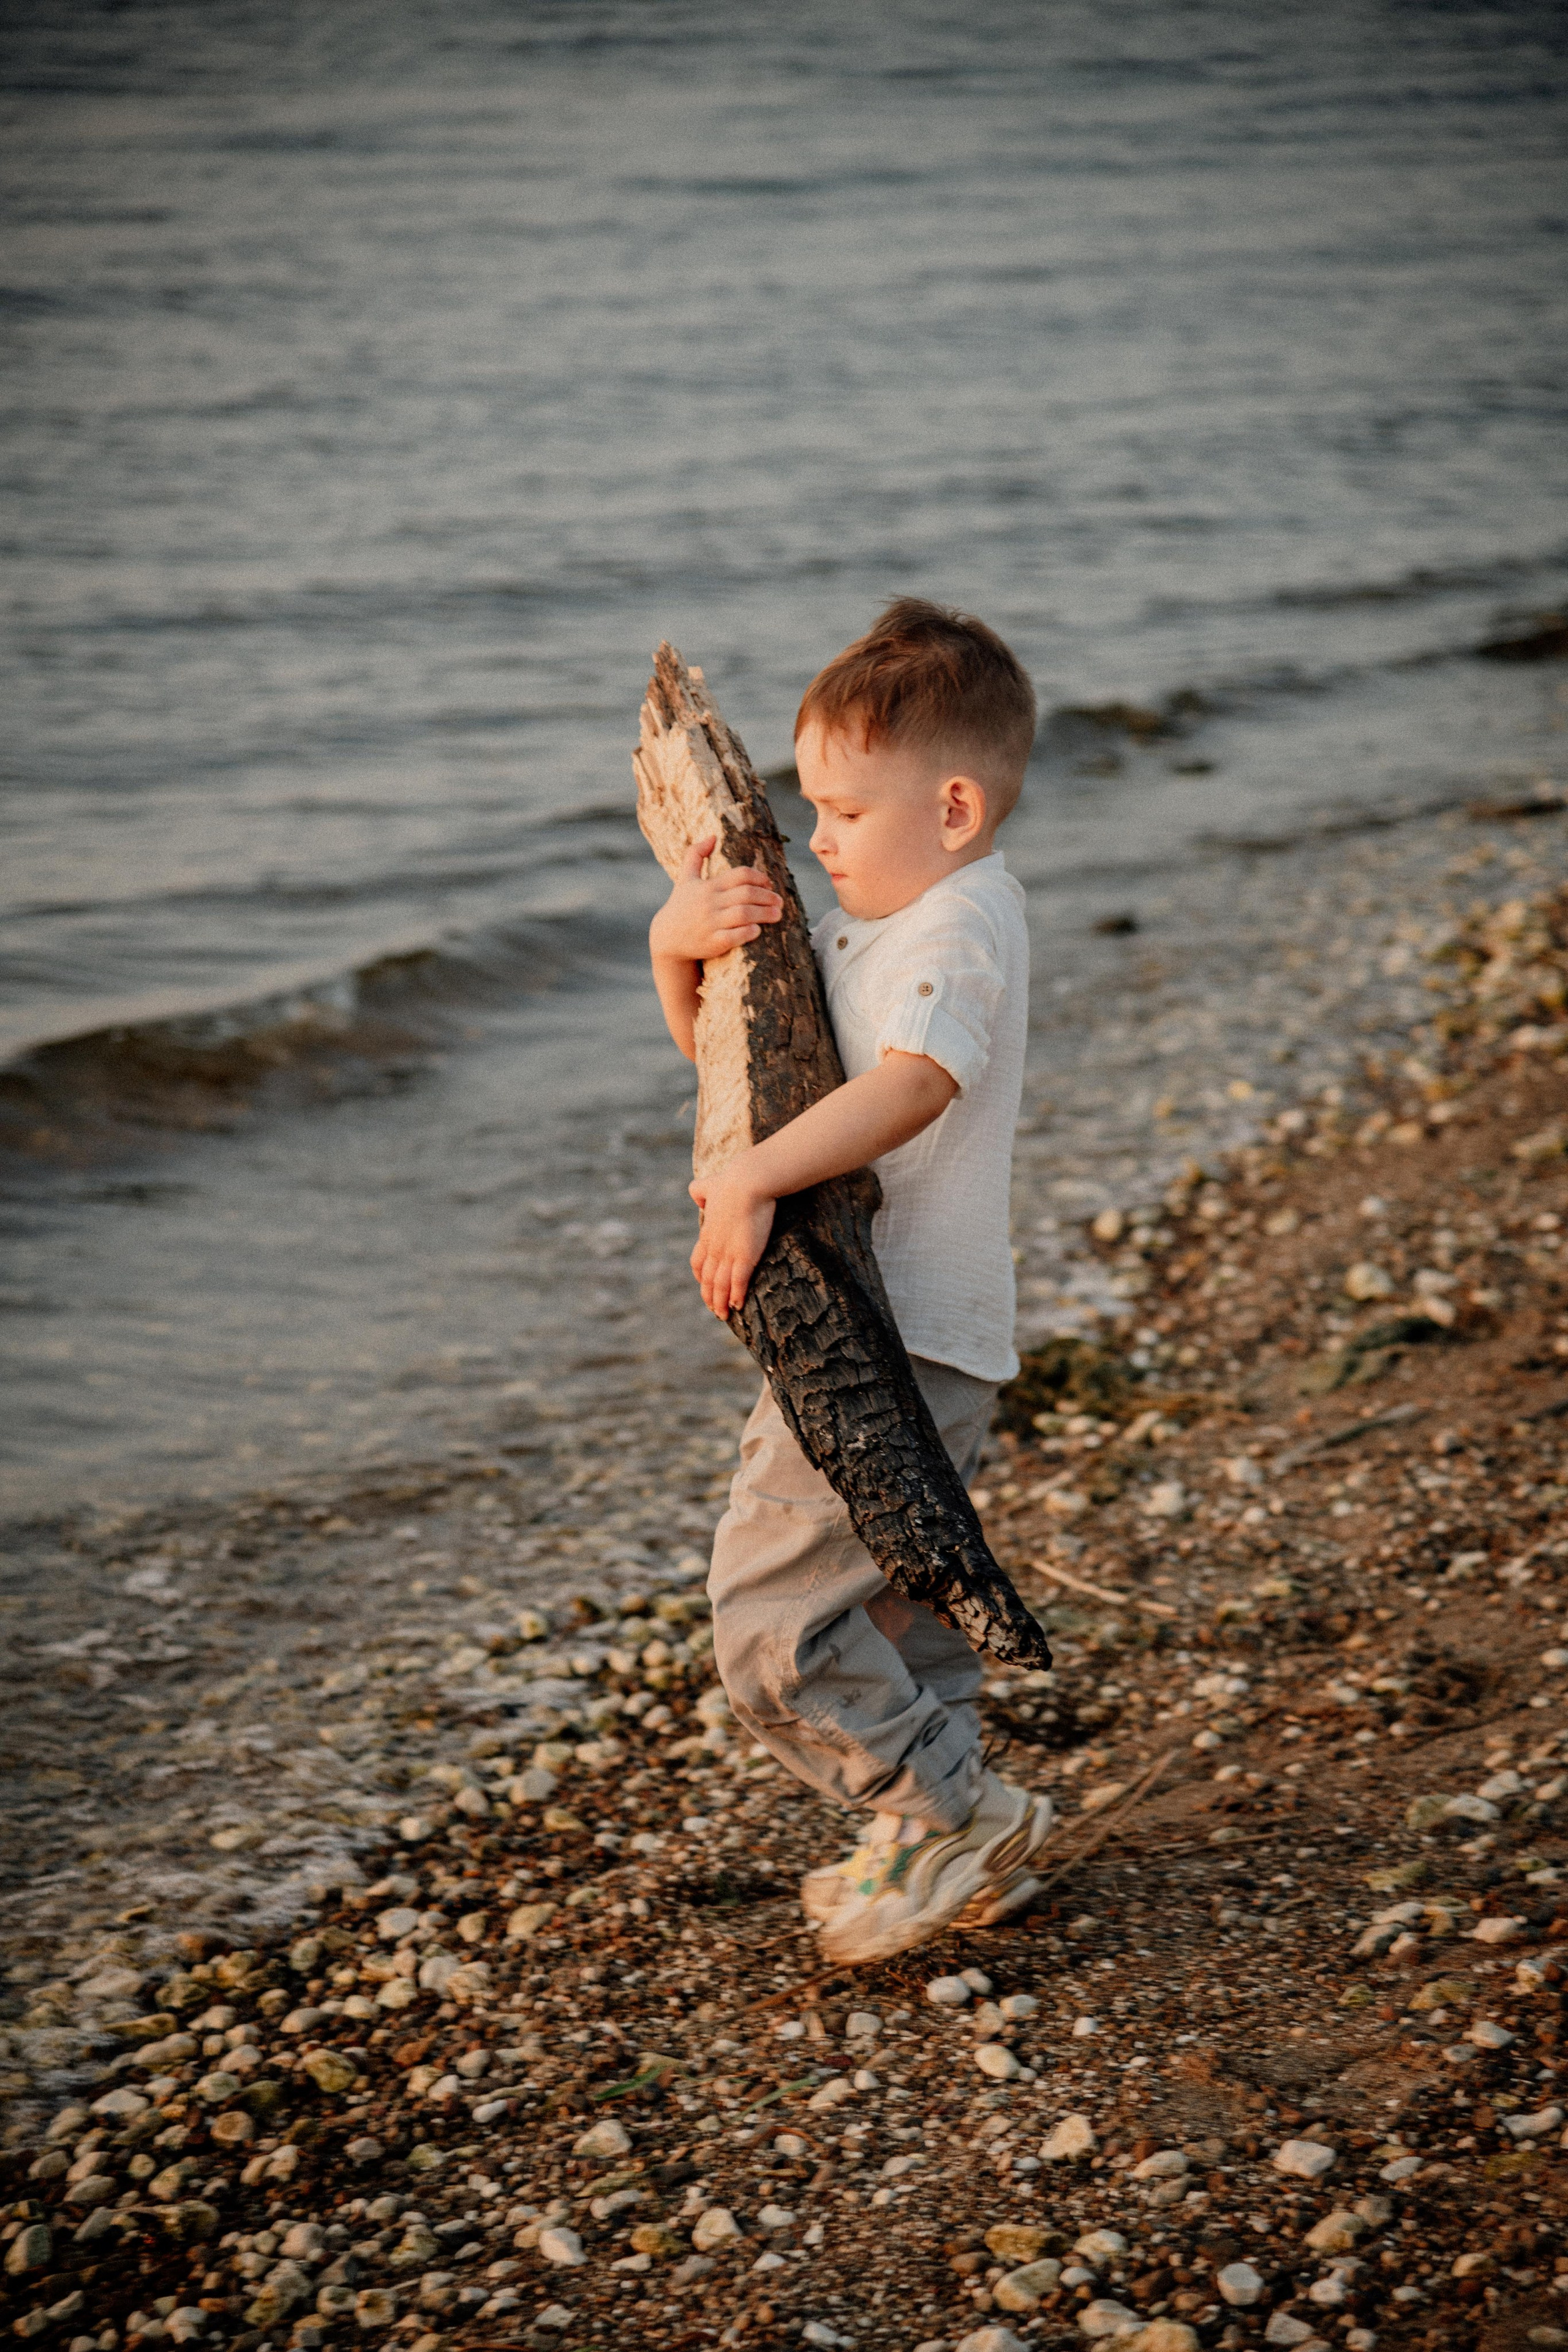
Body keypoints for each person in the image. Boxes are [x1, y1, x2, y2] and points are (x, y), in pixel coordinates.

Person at [647, 597, 1052, 1962]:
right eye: (806, 806)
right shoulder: (884, 920)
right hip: (920, 1332)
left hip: (895, 1343)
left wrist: (757, 1183)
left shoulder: (957, 929)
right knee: (895, 1607)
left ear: (949, 806)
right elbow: (735, 1071)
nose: (813, 838)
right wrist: (675, 945)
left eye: (840, 810)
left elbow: (910, 1086)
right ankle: (943, 1830)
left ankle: (951, 1815)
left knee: (768, 1619)